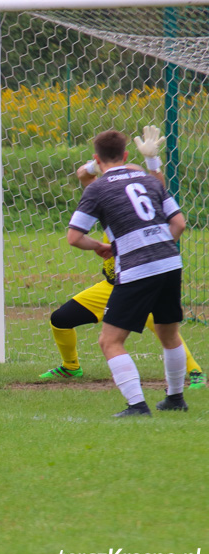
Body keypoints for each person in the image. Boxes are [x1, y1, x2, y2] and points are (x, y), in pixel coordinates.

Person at [40, 152, 206, 390]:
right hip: (111, 285)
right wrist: (98, 164)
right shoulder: (108, 198)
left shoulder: (139, 206)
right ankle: (71, 367)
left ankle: (195, 372)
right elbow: (83, 175)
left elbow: (158, 191)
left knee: (164, 330)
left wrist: (151, 163)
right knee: (60, 319)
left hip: (138, 280)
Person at [66, 126, 188, 417]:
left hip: (138, 268)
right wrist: (157, 244)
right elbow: (179, 224)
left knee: (110, 341)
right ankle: (175, 399)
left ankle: (137, 405)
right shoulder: (149, 179)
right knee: (168, 334)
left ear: (97, 158)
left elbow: (74, 237)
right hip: (170, 263)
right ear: (126, 154)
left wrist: (99, 245)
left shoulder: (97, 188)